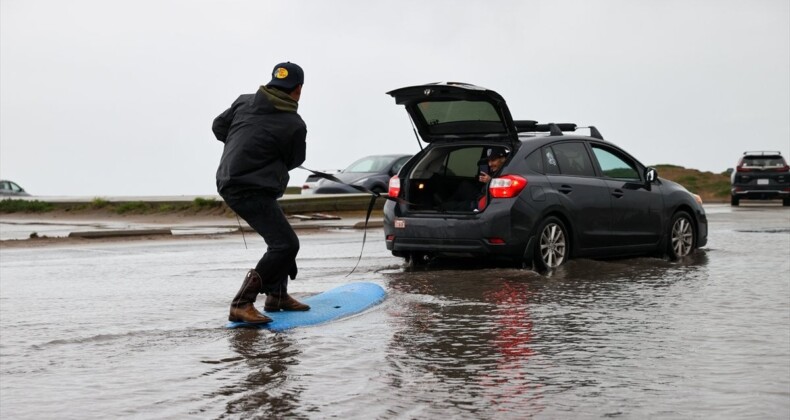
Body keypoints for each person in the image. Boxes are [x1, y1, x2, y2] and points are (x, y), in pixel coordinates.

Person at [212, 62, 310, 324]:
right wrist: (257, 153)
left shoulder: (244, 102)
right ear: (298, 89)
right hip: (247, 188)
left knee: (280, 239)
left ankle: (277, 296)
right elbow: (294, 159)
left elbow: (218, 127)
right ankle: (242, 303)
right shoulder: (293, 124)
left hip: (235, 180)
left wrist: (244, 146)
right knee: (286, 244)